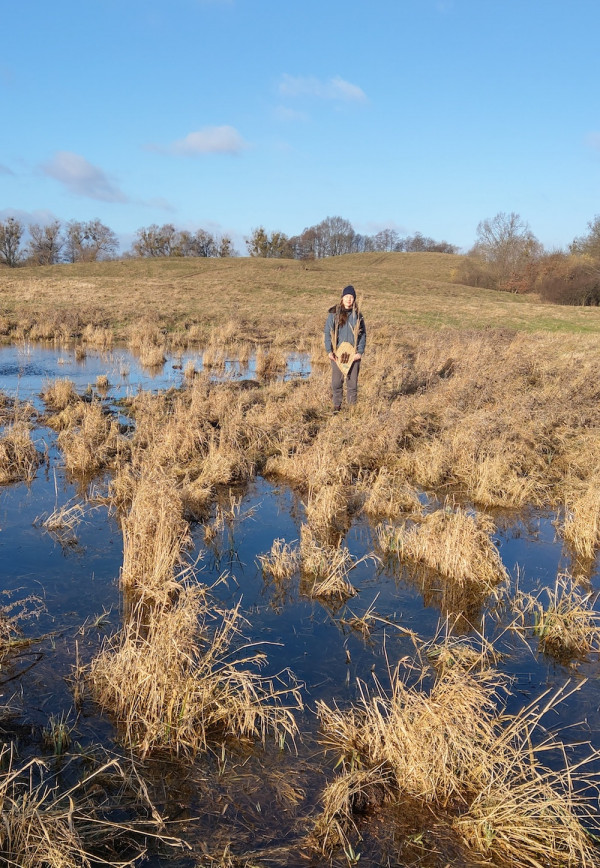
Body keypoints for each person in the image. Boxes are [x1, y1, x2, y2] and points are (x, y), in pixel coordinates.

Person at [324, 285, 366, 411]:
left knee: (352, 383)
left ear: (354, 299)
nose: (349, 299)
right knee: (336, 382)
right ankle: (337, 406)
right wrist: (329, 351)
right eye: (347, 296)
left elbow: (363, 334)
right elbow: (327, 332)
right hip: (337, 354)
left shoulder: (358, 315)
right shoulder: (333, 314)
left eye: (351, 297)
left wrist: (359, 352)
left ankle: (352, 408)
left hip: (353, 355)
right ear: (342, 298)